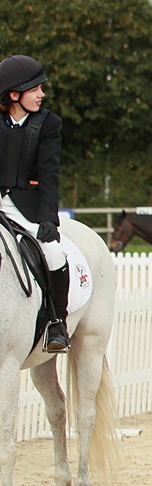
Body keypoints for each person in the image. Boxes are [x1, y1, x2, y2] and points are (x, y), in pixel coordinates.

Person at [0, 54, 69, 352]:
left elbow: (49, 175)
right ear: (14, 95)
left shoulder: (48, 124)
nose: (42, 94)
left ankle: (57, 322)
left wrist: (49, 221)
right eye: (35, 89)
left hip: (27, 207)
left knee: (53, 252)